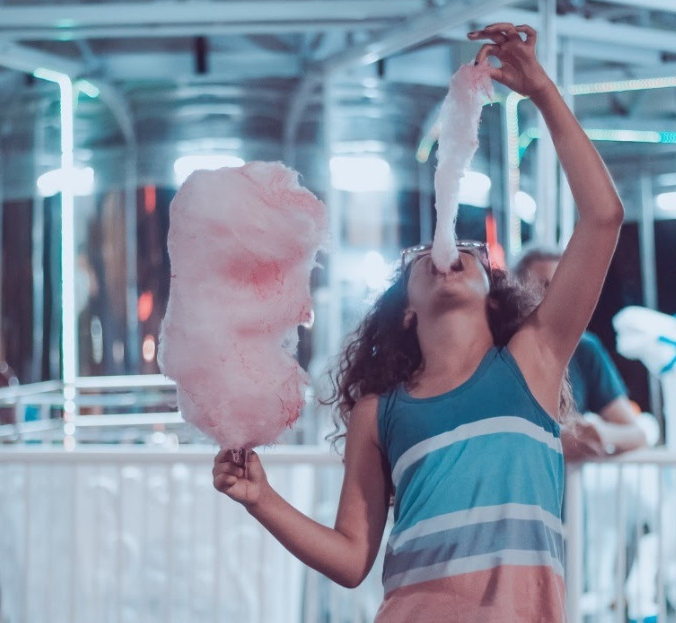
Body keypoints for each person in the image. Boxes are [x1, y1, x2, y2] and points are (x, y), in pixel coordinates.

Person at [213, 23, 624, 622]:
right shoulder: (379, 410)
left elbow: (603, 217)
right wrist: (262, 499)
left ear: (493, 291)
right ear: (405, 310)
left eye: (473, 254)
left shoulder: (534, 362)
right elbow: (353, 558)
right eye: (418, 261)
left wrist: (541, 93)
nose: (446, 251)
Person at [514, 247, 648, 461]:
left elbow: (637, 435)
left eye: (563, 288)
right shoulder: (499, 351)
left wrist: (598, 432)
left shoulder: (584, 349)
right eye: (543, 287)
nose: (555, 298)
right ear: (516, 293)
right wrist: (553, 440)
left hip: (568, 491)